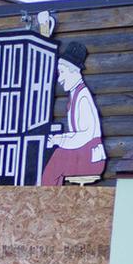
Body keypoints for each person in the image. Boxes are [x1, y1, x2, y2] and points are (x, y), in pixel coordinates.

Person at [41, 42, 107, 186]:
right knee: (55, 155)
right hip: (83, 153)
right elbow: (76, 134)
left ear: (74, 71)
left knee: (57, 158)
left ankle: (47, 195)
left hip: (90, 157)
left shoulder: (83, 97)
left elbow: (85, 135)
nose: (59, 79)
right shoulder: (75, 95)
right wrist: (59, 138)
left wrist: (60, 140)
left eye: (62, 73)